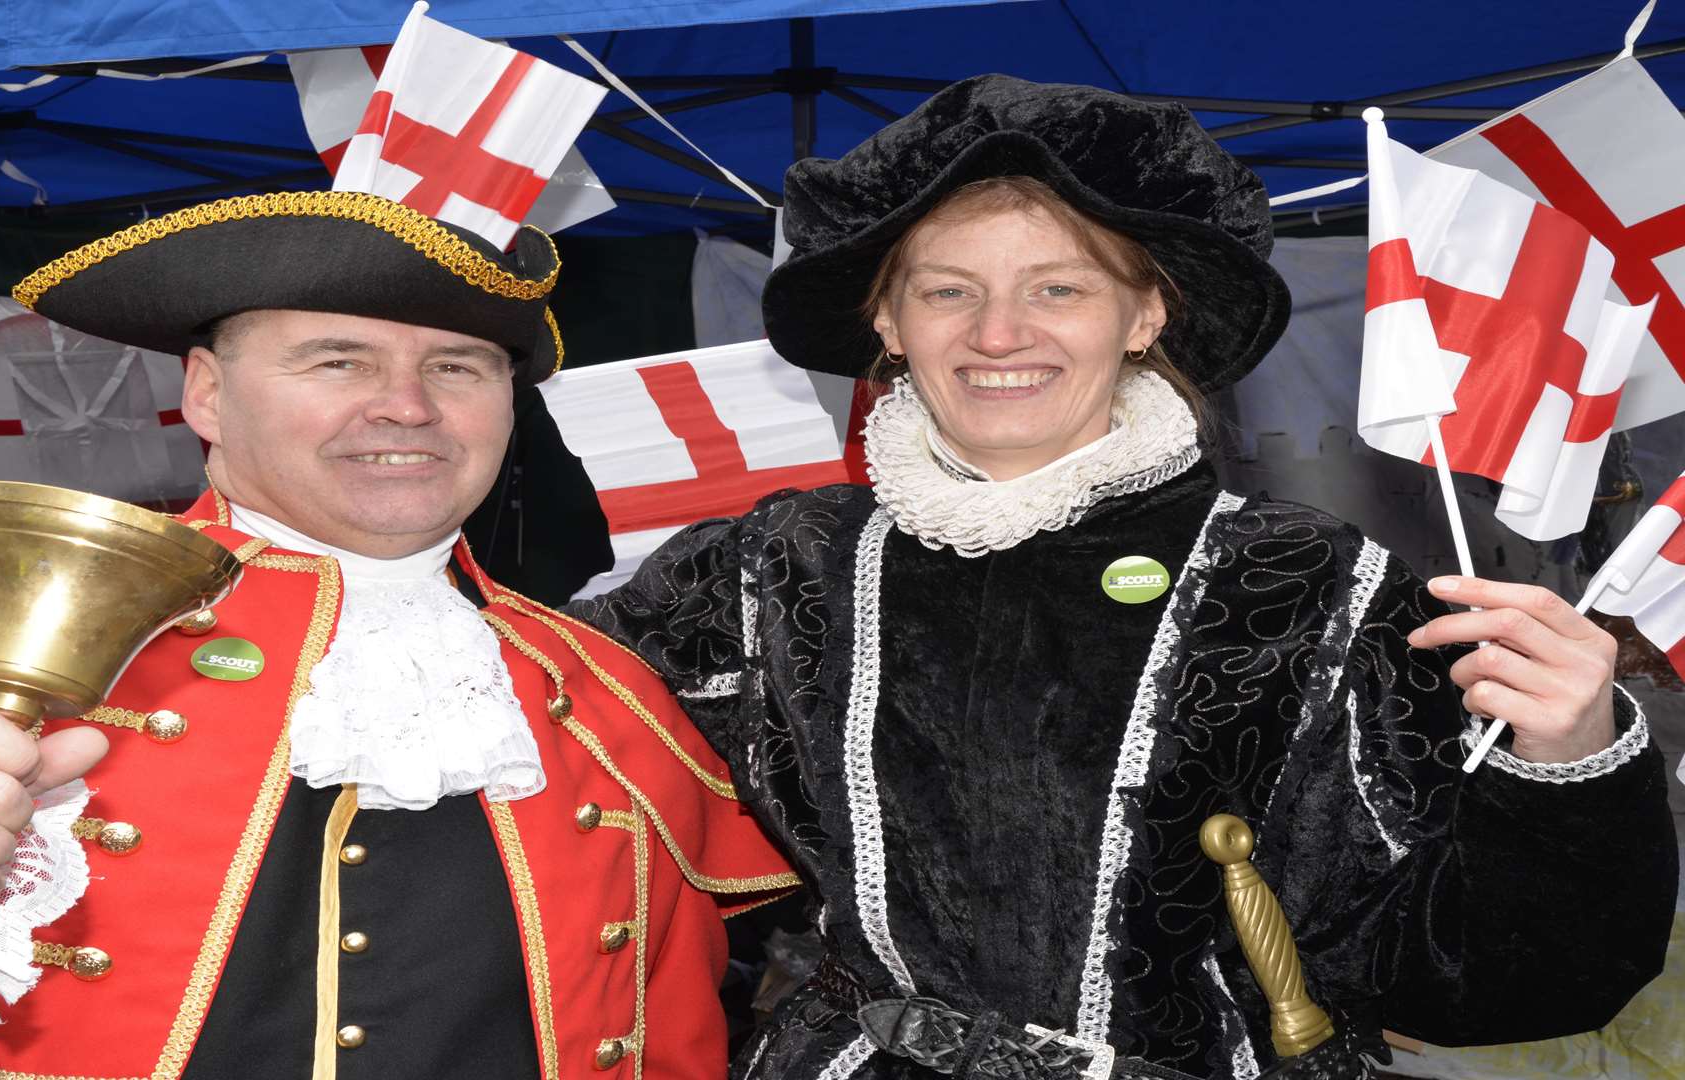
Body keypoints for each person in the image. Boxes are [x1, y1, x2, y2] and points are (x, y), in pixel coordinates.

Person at [572, 77, 1679, 1079]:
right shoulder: (775, 568)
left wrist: (1570, 759)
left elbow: (1490, 979)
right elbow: (563, 768)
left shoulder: (1306, 581)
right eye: (948, 291)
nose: (998, 332)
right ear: (887, 321)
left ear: (1145, 315)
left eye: (1058, 288)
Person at [0, 191, 796, 1080]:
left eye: (458, 368)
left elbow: (674, 1034)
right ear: (206, 393)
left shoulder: (608, 690)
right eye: (337, 361)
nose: (406, 408)